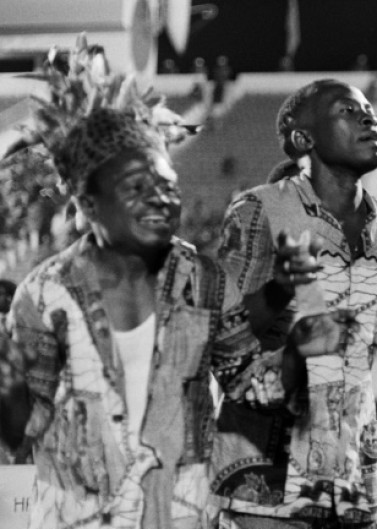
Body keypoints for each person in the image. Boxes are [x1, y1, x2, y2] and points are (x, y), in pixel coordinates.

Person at [0, 36, 276, 528]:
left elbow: (253, 389)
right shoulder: (42, 296)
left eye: (168, 187)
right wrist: (8, 396)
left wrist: (298, 350)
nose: (160, 201)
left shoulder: (207, 281)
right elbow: (26, 430)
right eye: (136, 188)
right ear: (88, 205)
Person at [211, 79, 377, 528]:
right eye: (347, 111)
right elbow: (223, 335)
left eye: (370, 112)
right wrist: (279, 289)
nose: (369, 118)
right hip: (267, 462)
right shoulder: (258, 211)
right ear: (304, 139)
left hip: (352, 462)